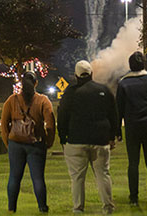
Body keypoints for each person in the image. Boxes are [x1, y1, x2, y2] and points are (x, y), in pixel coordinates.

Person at [59, 60, 120, 214]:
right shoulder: (104, 90)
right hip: (100, 139)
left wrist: (62, 137)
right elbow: (113, 115)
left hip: (76, 140)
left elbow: (62, 116)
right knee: (103, 174)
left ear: (76, 75)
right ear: (92, 74)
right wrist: (113, 135)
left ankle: (78, 209)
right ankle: (108, 207)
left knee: (77, 178)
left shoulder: (70, 93)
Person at [1, 71, 56, 213]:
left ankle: (11, 208)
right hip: (36, 144)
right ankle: (42, 207)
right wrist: (49, 141)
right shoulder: (43, 101)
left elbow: (4, 124)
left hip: (15, 144)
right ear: (35, 83)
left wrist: (8, 142)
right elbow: (50, 123)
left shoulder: (11, 100)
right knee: (38, 178)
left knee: (14, 176)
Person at [116, 50, 147, 206]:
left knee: (133, 163)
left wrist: (117, 131)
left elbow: (119, 109)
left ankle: (134, 197)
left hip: (132, 126)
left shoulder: (123, 83)